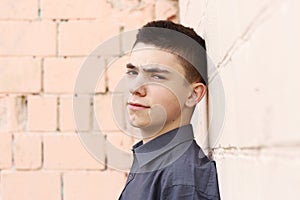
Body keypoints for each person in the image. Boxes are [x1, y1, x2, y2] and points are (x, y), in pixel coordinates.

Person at [118, 20, 220, 200]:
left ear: (192, 95)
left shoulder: (181, 178)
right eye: (133, 72)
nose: (135, 88)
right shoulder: (151, 157)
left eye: (157, 76)